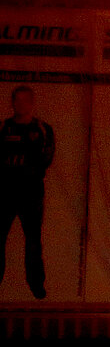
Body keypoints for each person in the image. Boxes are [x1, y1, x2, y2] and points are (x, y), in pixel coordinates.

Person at [1, 85, 55, 299]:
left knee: (33, 240)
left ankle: (36, 285)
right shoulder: (3, 128)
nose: (21, 104)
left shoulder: (42, 128)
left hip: (31, 193)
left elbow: (48, 157)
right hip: (4, 192)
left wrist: (30, 172)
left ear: (32, 103)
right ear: (12, 102)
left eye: (25, 100)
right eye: (17, 100)